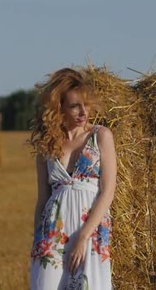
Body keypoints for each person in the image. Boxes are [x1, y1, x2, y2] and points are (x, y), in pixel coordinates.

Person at [29, 68, 116, 289]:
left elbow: (107, 192)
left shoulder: (101, 136)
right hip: (52, 233)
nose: (83, 111)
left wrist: (84, 237)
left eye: (86, 104)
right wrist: (39, 238)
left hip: (89, 231)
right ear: (59, 108)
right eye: (75, 105)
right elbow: (43, 198)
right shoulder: (47, 145)